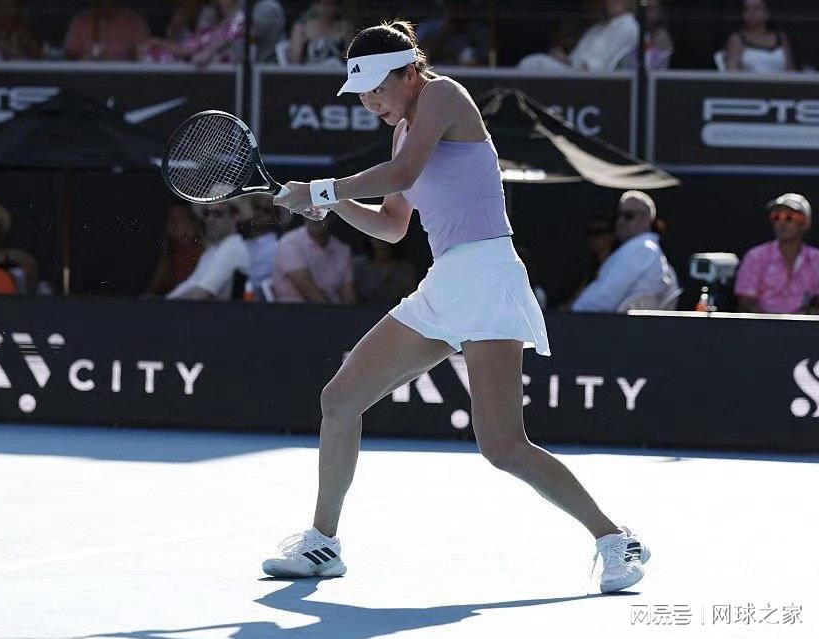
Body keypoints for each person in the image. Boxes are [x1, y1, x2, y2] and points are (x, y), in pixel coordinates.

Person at [269, 20, 649, 592]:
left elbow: (402, 175)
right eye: (362, 94)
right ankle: (322, 543)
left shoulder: (444, 95)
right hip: (445, 282)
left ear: (409, 72)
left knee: (503, 447)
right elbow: (393, 226)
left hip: (489, 276)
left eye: (377, 88)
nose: (370, 102)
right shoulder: (402, 131)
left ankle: (615, 539)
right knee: (340, 399)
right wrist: (334, 207)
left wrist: (324, 190)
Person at [571, 191, 678, 312]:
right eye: (619, 215)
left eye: (628, 216)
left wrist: (570, 316)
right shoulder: (648, 250)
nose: (621, 221)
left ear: (646, 219)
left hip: (606, 322)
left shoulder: (641, 248)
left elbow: (601, 299)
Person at [735, 194, 819, 314]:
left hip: (805, 325)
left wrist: (801, 319)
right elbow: (745, 303)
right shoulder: (755, 256)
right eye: (776, 217)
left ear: (805, 223)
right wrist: (772, 323)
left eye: (789, 217)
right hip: (760, 325)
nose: (781, 223)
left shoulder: (816, 259)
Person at [517, 0, 638, 73]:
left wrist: (567, 62)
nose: (612, 2)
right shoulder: (597, 28)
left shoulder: (629, 25)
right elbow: (575, 58)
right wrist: (562, 59)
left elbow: (598, 66)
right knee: (531, 62)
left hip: (595, 79)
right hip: (574, 72)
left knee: (536, 62)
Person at [166, 200, 249, 300]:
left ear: (235, 218)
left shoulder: (233, 247)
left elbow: (202, 293)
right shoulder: (213, 250)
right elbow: (190, 284)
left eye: (217, 214)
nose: (210, 219)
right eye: (206, 214)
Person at [272, 216, 356, 304]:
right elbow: (308, 290)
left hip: (333, 309)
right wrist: (332, 311)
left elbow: (349, 294)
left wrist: (351, 311)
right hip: (294, 309)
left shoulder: (342, 250)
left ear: (332, 217)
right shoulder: (289, 242)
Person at [142, 201, 205, 298]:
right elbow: (156, 287)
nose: (174, 223)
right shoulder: (168, 253)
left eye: (180, 218)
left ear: (192, 222)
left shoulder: (203, 252)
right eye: (171, 219)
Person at [722, 0, 795, 73]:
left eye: (757, 8)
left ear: (767, 13)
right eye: (746, 9)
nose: (751, 13)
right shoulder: (737, 39)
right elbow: (732, 71)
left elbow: (790, 70)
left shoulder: (780, 38)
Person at [64, 0, 150, 61]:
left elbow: (144, 55)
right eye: (98, 3)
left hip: (123, 75)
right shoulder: (82, 20)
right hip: (86, 75)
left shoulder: (133, 21)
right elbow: (70, 53)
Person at [416, 0, 490, 67]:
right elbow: (421, 56)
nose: (460, 9)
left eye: (464, 5)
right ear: (445, 6)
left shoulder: (480, 31)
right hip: (436, 73)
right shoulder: (428, 28)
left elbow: (487, 61)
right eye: (455, 4)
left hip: (470, 76)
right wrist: (444, 32)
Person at [239, 195, 282, 300]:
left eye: (266, 211)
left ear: (275, 217)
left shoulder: (277, 247)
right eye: (256, 207)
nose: (259, 213)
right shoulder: (243, 242)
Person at [353, 236, 416, 307]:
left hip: (397, 311)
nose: (382, 244)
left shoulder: (405, 270)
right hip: (363, 310)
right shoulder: (359, 267)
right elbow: (351, 298)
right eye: (377, 240)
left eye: (385, 241)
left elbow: (410, 298)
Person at [288, 0, 354, 65]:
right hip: (311, 69)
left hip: (338, 69)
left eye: (330, 4)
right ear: (315, 5)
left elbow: (351, 57)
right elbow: (295, 60)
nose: (326, 7)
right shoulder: (302, 27)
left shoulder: (345, 27)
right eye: (322, 3)